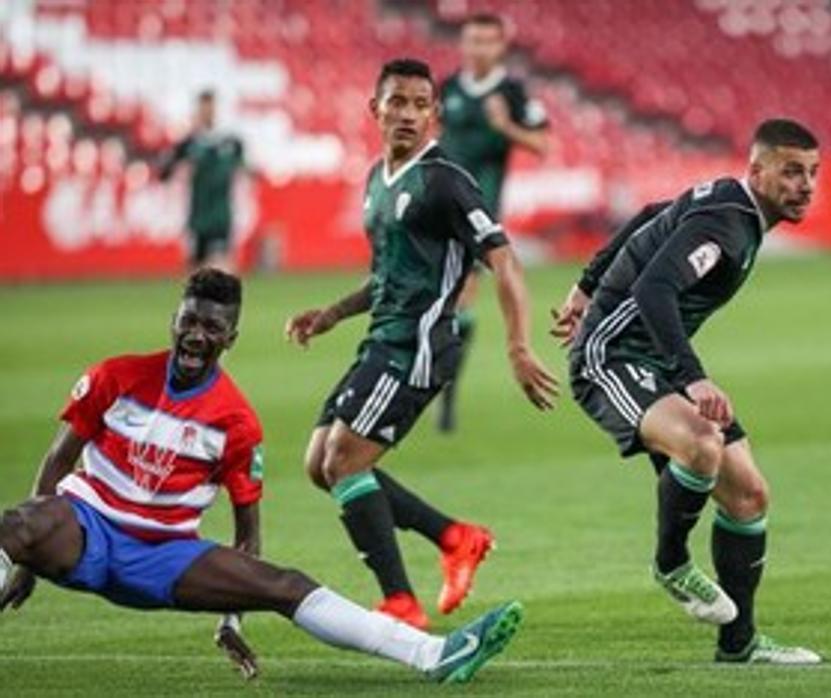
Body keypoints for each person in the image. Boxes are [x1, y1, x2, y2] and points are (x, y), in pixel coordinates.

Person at [0, 269, 522, 684]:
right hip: (85, 526)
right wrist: (26, 559)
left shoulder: (237, 422)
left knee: (286, 585)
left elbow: (246, 533)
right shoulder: (115, 377)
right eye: (189, 321)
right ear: (174, 320)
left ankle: (435, 655)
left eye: (211, 328)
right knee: (14, 526)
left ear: (231, 337)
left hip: (165, 555)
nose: (196, 335)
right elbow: (57, 461)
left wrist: (231, 617)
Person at [285, 59, 557, 631]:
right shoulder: (374, 181)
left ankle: (400, 604)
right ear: (375, 109)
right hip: (381, 338)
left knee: (342, 461)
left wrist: (517, 347)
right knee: (319, 465)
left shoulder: (446, 181)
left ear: (434, 113)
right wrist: (332, 314)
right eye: (397, 102)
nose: (408, 114)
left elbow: (504, 262)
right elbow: (387, 275)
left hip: (419, 347)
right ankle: (455, 538)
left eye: (419, 104)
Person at [551, 119, 824, 664]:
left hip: (655, 356)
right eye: (792, 171)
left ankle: (739, 643)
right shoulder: (727, 224)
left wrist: (586, 283)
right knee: (702, 442)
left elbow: (653, 214)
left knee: (749, 496)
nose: (806, 185)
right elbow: (656, 288)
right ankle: (671, 563)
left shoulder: (728, 202)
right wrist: (693, 375)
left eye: (813, 173)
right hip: (611, 354)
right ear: (757, 170)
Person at [436, 12, 551, 433]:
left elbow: (544, 143)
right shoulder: (446, 89)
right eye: (471, 41)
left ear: (500, 46)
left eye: (486, 41)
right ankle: (438, 387)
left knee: (460, 297)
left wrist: (506, 126)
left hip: (480, 212)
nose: (477, 49)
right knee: (435, 300)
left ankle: (445, 399)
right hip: (437, 205)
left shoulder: (513, 92)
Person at [157, 90, 248, 273]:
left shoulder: (230, 141)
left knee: (223, 265)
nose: (208, 112)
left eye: (211, 107)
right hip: (198, 216)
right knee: (195, 269)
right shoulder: (190, 143)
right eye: (204, 108)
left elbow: (245, 170)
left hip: (222, 214)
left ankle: (228, 300)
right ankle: (196, 301)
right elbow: (164, 172)